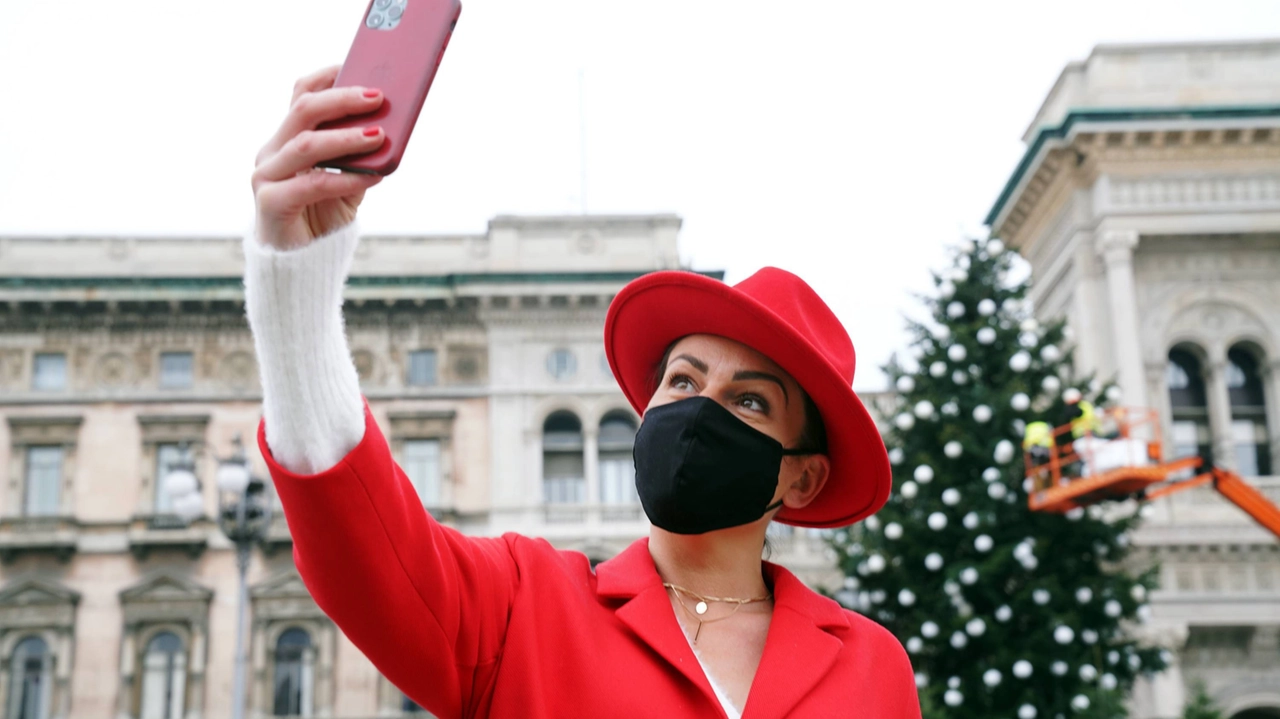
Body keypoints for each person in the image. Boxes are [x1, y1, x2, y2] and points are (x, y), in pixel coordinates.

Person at [243, 66, 920, 718]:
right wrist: (296, 278)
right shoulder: (520, 606)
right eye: (681, 379)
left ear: (803, 476)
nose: (698, 410)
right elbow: (360, 538)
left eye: (750, 401)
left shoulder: (869, 663)